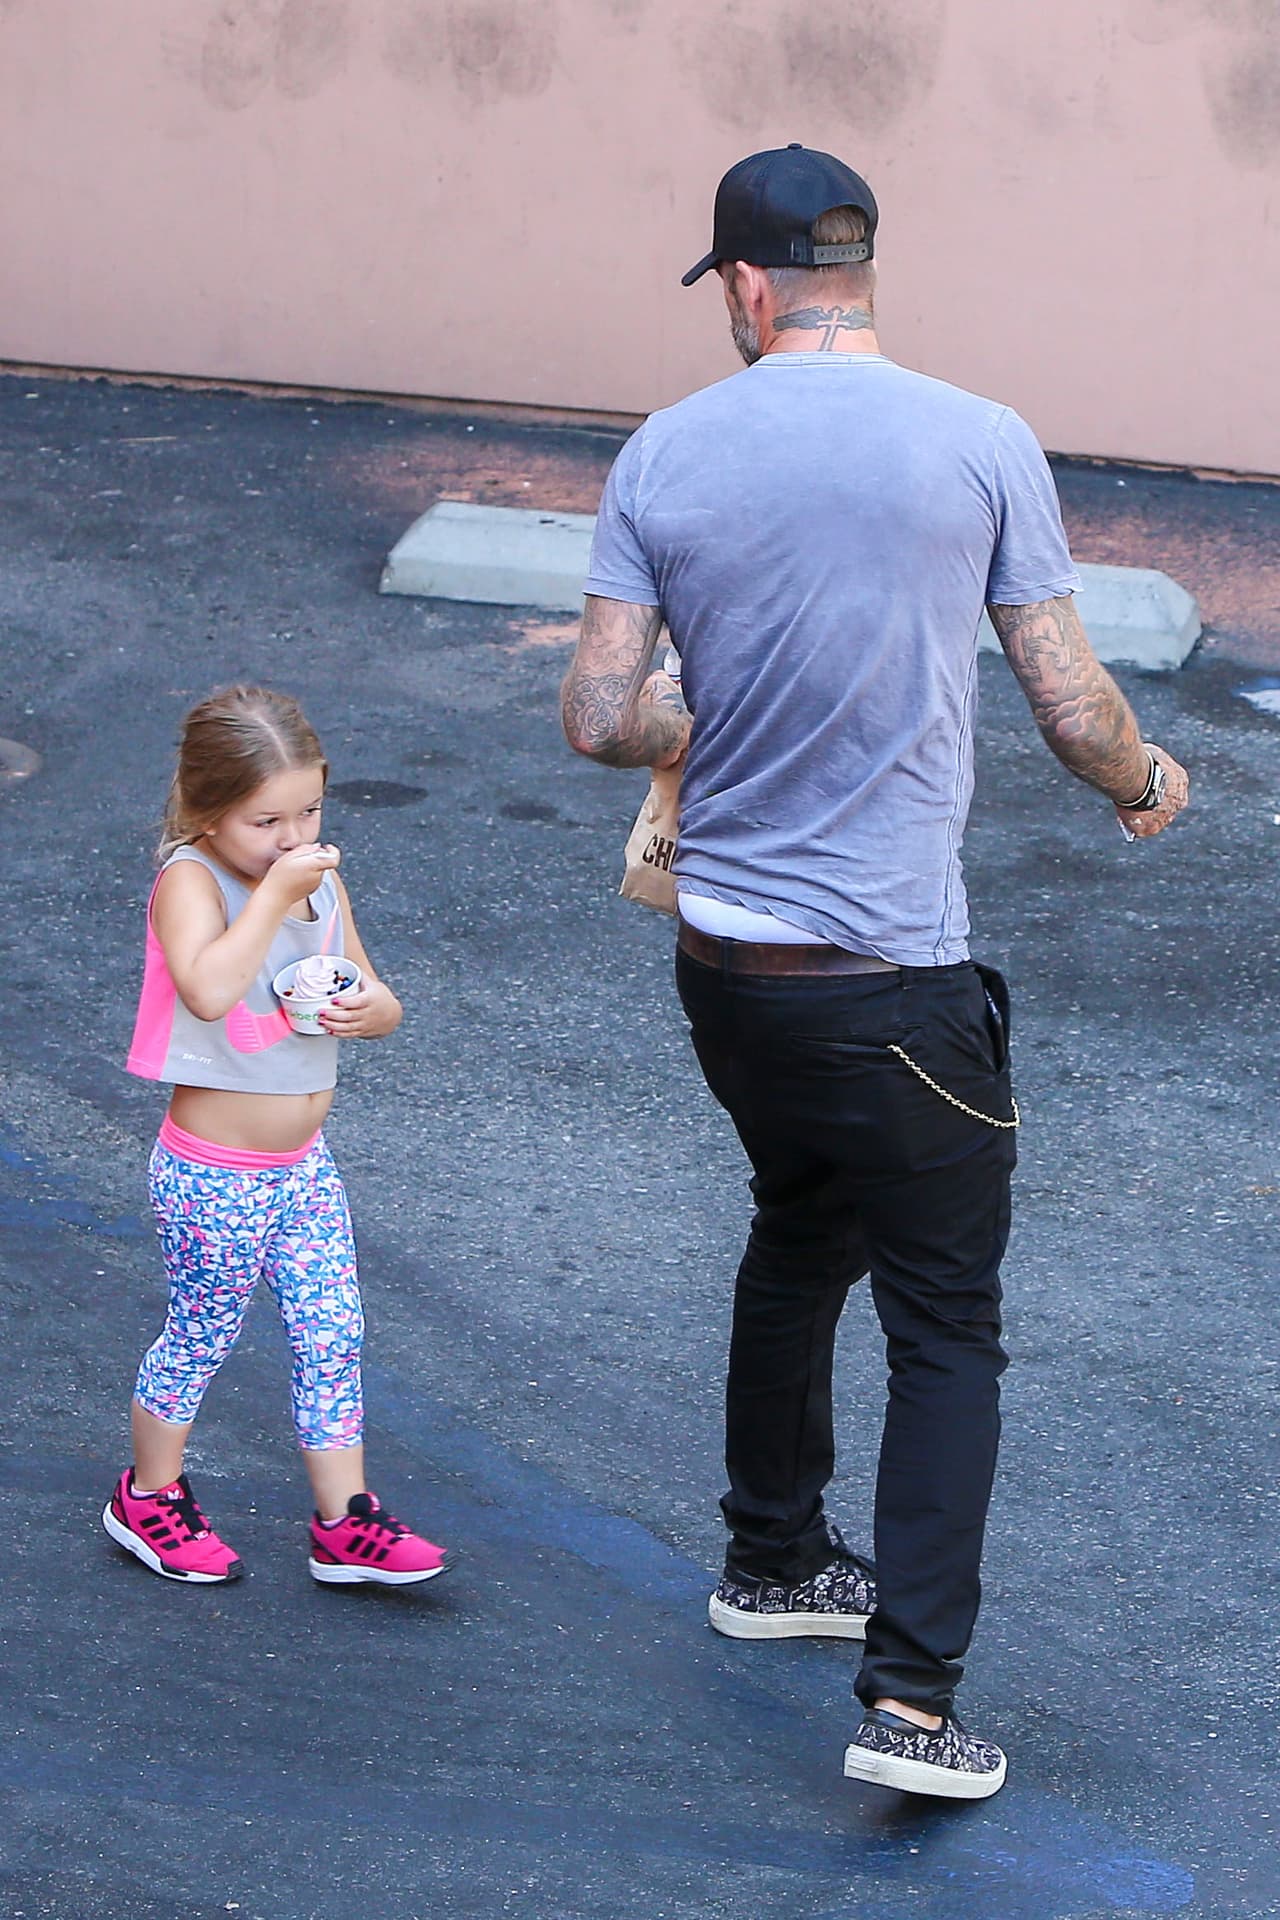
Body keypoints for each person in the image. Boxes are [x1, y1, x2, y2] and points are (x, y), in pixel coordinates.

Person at [561, 143, 1187, 1798]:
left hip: (729, 981)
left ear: (749, 288)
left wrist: (719, 721)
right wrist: (1147, 783)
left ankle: (773, 1563)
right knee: (948, 1332)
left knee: (800, 1228)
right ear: (859, 269)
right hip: (893, 991)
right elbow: (1069, 707)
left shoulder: (667, 455)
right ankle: (911, 1706)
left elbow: (603, 718)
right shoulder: (980, 443)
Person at [104, 684, 454, 1588]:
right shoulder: (192, 881)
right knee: (203, 1333)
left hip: (303, 1164)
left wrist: (373, 1011)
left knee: (333, 1331)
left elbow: (380, 999)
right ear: (205, 810)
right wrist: (272, 896)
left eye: (311, 811)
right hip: (212, 1172)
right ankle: (148, 1497)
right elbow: (211, 990)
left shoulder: (315, 880)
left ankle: (344, 1522)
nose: (295, 838)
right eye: (267, 821)